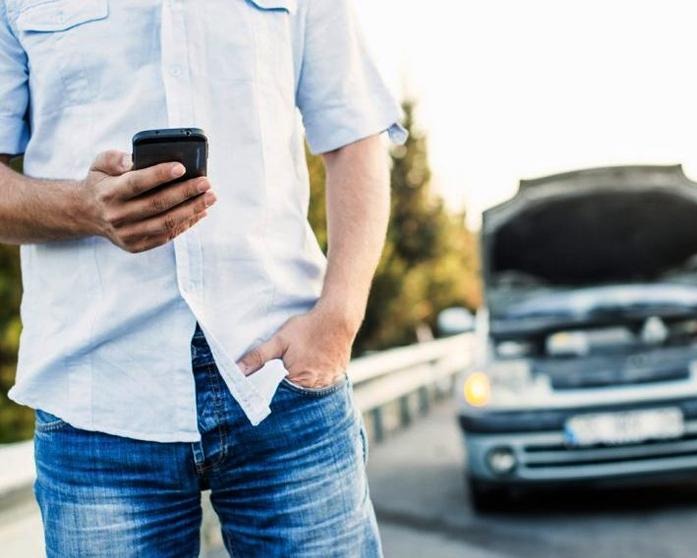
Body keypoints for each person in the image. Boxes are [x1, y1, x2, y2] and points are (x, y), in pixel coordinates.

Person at [0, 0, 406, 556]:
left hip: (284, 380)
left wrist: (337, 320)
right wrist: (84, 208)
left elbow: (356, 132)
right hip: (94, 398)